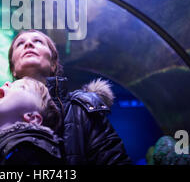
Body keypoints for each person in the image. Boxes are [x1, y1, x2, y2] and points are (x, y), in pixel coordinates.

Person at [7, 29, 132, 165]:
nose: (29, 44)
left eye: (38, 41)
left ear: (53, 64)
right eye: (20, 43)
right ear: (13, 68)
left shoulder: (83, 109)